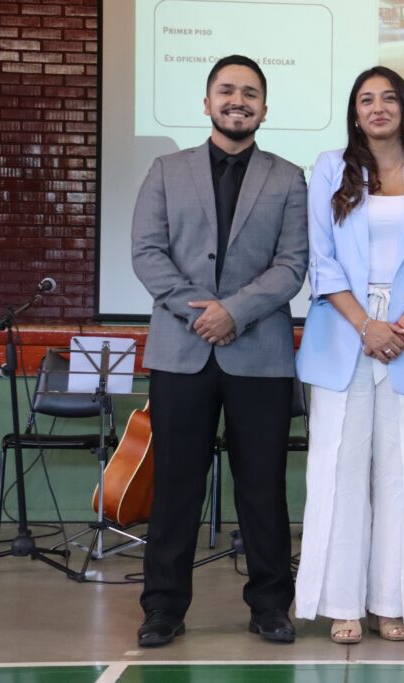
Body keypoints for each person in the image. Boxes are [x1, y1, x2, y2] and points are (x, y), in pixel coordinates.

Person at [130, 54, 308, 647]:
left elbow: (292, 265)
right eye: (227, 90)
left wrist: (236, 311)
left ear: (264, 108)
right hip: (181, 351)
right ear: (206, 103)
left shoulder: (288, 178)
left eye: (250, 93)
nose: (238, 101)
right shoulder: (165, 170)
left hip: (260, 355)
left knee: (263, 487)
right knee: (176, 485)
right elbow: (147, 252)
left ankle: (270, 605)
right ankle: (162, 608)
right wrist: (203, 313)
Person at [294, 66, 404, 644]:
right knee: (337, 471)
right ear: (355, 113)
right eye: (367, 99)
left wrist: (400, 328)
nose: (378, 107)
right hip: (343, 332)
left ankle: (393, 602)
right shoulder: (328, 167)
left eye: (389, 98)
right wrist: (367, 325)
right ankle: (342, 603)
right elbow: (321, 259)